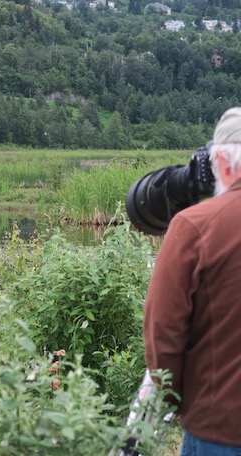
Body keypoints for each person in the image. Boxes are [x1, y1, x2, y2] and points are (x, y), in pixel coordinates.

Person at [144, 107, 241, 453]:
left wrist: (172, 399)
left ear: (222, 163)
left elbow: (163, 329)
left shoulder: (195, 227)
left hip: (220, 429)